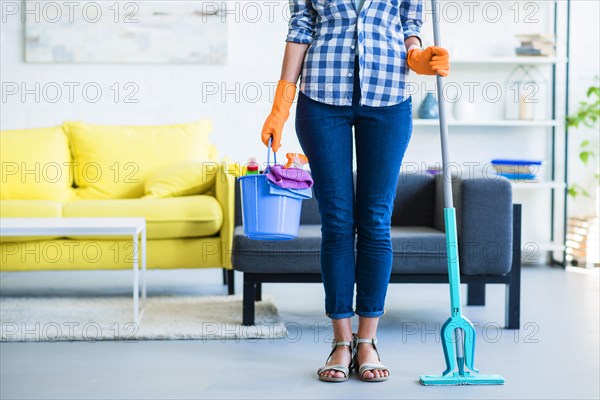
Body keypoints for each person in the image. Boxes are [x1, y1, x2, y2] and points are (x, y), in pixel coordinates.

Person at [261, 0, 450, 382]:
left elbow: (408, 24)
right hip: (321, 99)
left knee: (376, 221)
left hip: (389, 98)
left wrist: (417, 57)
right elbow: (301, 27)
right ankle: (341, 341)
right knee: (337, 223)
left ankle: (368, 341)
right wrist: (282, 102)